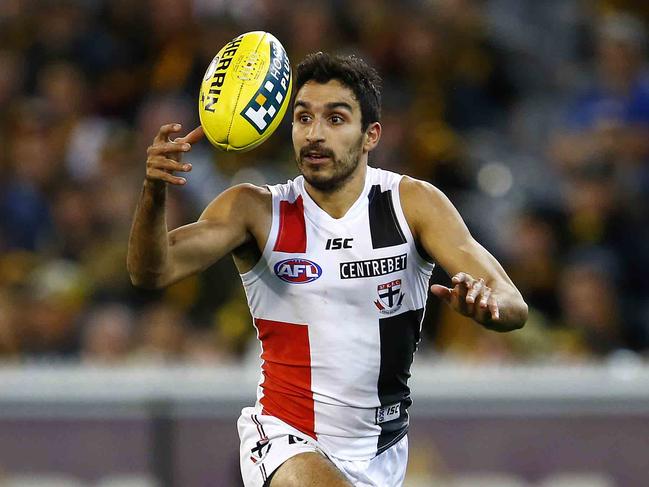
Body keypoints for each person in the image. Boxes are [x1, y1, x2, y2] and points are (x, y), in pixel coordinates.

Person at [127, 52, 528, 487]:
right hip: (284, 439)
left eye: (335, 119)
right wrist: (153, 194)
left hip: (382, 451)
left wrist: (488, 307)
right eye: (303, 118)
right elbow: (152, 272)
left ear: (370, 134)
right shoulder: (255, 210)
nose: (315, 134)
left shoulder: (412, 204)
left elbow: (512, 302)